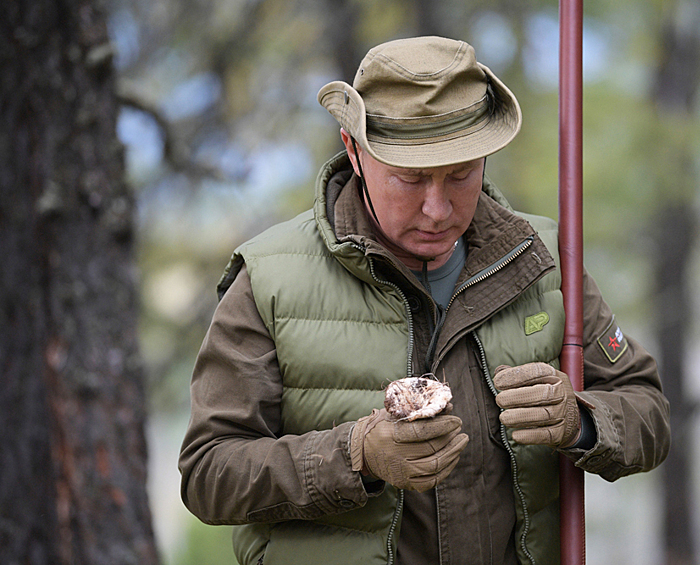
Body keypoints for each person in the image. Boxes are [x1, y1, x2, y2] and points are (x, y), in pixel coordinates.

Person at [179, 36, 670, 565]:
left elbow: (648, 412)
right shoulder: (269, 280)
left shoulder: (546, 261)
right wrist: (356, 456)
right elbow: (209, 473)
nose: (437, 209)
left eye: (461, 175)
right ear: (354, 151)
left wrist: (582, 420)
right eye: (409, 180)